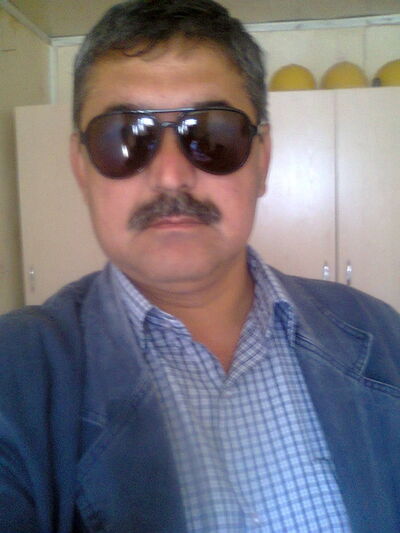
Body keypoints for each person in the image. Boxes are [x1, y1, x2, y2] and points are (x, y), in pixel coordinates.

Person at [1, 1, 399, 531]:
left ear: (262, 160)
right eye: (124, 137)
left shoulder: (384, 336)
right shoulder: (17, 376)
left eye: (213, 134)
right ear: (81, 167)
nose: (170, 175)